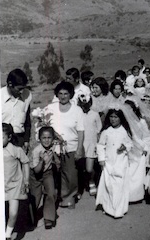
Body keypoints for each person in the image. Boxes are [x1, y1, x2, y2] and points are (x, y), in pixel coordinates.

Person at [47, 81, 85, 209]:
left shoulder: (77, 110)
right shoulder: (51, 108)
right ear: (57, 94)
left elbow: (80, 131)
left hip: (71, 147)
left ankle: (69, 197)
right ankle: (56, 196)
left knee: (70, 174)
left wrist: (79, 149)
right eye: (60, 93)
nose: (63, 96)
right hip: (53, 147)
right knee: (54, 173)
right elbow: (44, 125)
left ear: (71, 95)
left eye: (66, 93)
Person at [96, 107, 133, 218]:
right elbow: (101, 145)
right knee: (109, 184)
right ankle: (108, 207)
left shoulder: (124, 131)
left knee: (119, 185)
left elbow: (130, 144)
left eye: (116, 117)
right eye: (111, 117)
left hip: (121, 161)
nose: (113, 119)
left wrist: (125, 147)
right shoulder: (106, 132)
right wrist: (101, 159)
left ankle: (118, 209)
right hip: (109, 162)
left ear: (121, 118)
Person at [3, 123, 30, 240]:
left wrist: (26, 180)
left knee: (13, 213)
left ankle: (7, 235)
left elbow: (26, 162)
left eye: (1, 137)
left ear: (9, 137)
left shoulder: (15, 150)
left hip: (14, 185)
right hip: (0, 186)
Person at [29, 126, 59, 229]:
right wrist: (42, 161)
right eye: (44, 138)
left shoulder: (54, 145)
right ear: (39, 139)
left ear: (53, 138)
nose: (46, 140)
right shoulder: (37, 151)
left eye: (49, 137)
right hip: (35, 175)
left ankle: (48, 218)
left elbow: (61, 141)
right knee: (36, 197)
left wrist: (56, 135)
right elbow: (37, 170)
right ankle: (31, 217)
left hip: (47, 173)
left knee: (51, 193)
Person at [2, 68, 32, 152]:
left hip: (19, 141)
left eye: (23, 88)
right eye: (19, 89)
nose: (22, 92)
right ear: (10, 84)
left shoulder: (27, 95)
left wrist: (26, 140)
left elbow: (27, 122)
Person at [77, 95, 102, 196]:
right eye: (82, 104)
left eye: (86, 104)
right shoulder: (78, 114)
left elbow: (99, 129)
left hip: (91, 144)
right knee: (80, 167)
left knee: (89, 168)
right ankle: (80, 186)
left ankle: (91, 181)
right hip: (81, 143)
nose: (84, 106)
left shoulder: (95, 114)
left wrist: (98, 144)